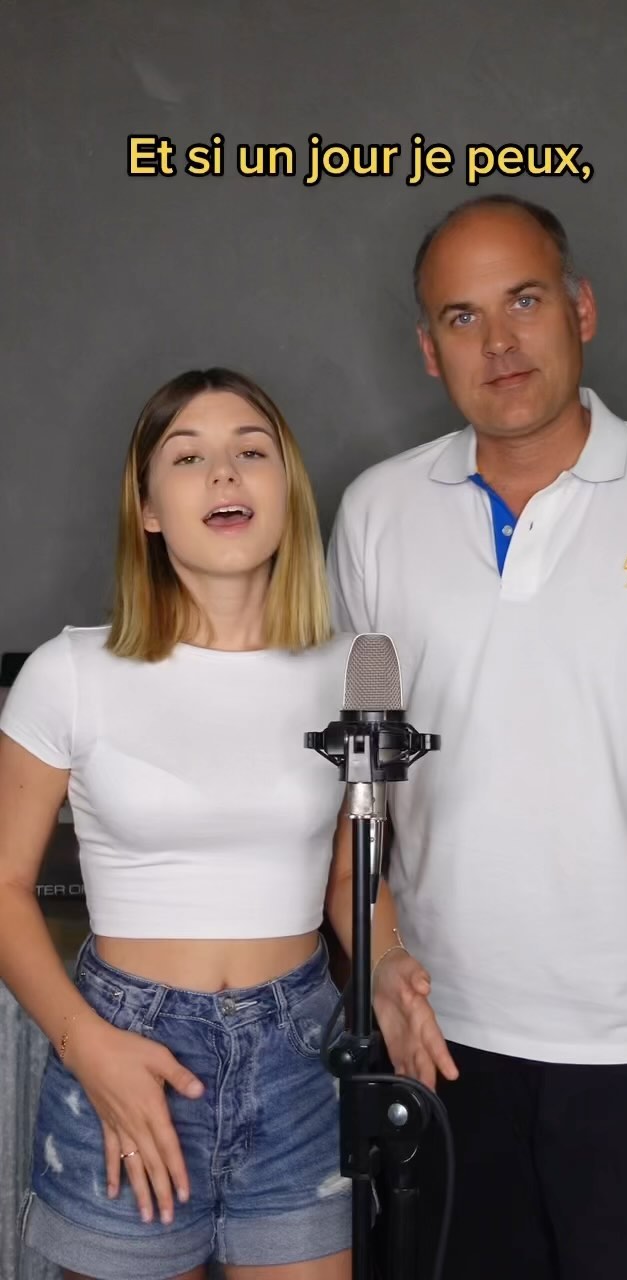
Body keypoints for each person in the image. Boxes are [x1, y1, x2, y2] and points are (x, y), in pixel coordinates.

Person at [326, 194, 627, 1280]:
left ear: (581, 309)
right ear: (428, 348)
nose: (498, 342)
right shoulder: (377, 511)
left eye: (525, 301)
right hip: (443, 1039)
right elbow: (352, 792)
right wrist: (383, 962)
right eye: (462, 317)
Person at [0, 366, 458, 1280]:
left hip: (299, 1060)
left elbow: (348, 877)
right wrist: (88, 1048)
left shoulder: (352, 669)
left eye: (252, 452)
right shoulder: (69, 673)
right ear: (147, 510)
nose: (224, 473)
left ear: (286, 491)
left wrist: (387, 964)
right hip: (127, 1049)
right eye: (188, 457)